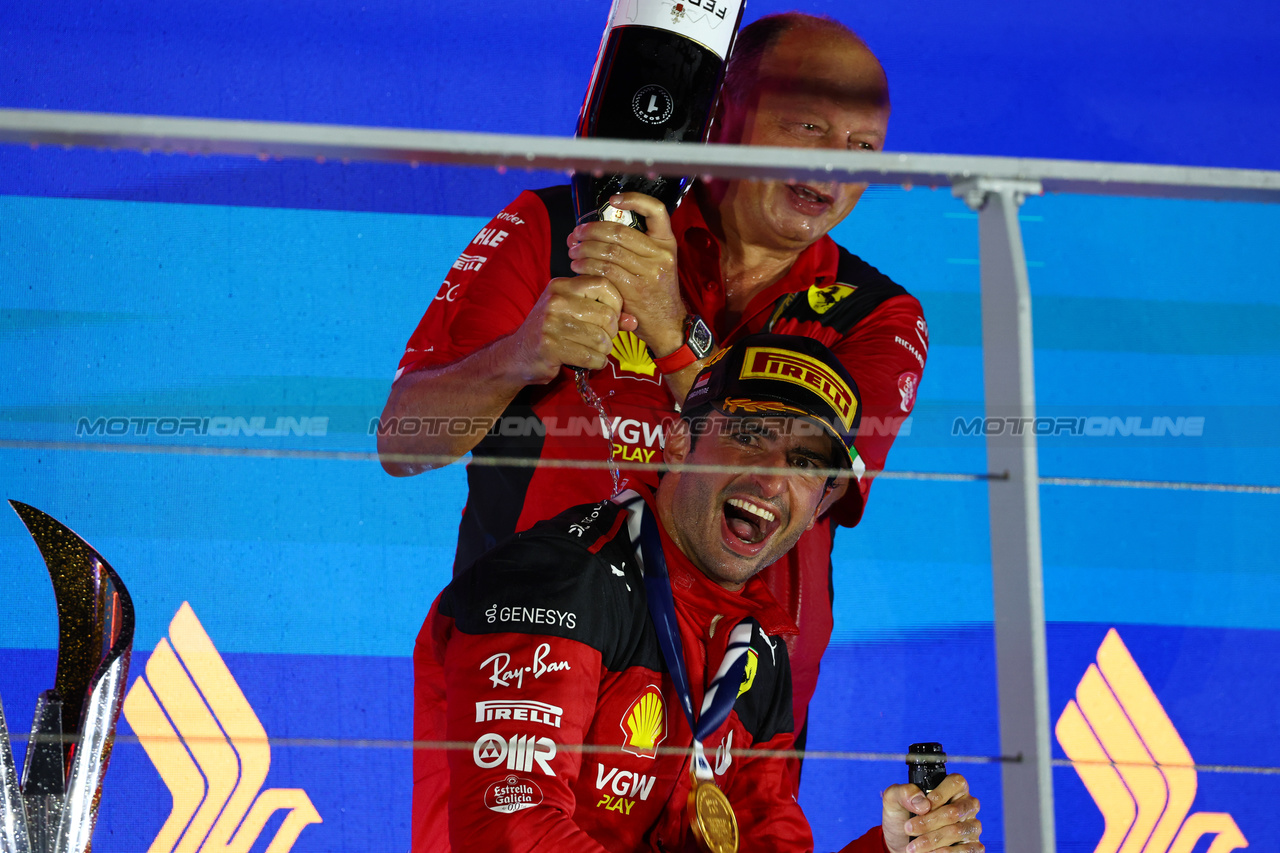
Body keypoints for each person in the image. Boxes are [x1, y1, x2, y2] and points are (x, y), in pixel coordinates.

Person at [380, 13, 929, 775]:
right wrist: (519, 354)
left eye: (863, 148)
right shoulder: (554, 227)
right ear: (720, 110)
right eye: (810, 127)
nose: (834, 169)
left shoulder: (876, 315)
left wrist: (671, 327)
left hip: (731, 714)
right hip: (523, 672)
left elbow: (814, 484)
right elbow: (402, 440)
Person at [413, 334, 980, 853]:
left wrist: (892, 848)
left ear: (819, 509)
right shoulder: (556, 577)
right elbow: (512, 831)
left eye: (805, 463)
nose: (772, 480)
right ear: (680, 443)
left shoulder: (759, 647)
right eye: (750, 437)